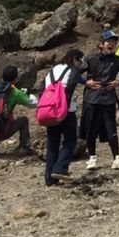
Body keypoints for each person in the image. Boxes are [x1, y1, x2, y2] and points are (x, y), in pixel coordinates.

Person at [83, 29, 119, 170]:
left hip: (108, 98)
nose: (112, 44)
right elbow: (74, 73)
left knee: (111, 129)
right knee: (91, 129)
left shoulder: (118, 60)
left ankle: (117, 158)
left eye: (114, 41)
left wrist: (118, 83)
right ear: (101, 44)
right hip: (92, 98)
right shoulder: (90, 59)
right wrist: (86, 82)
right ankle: (92, 158)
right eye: (109, 41)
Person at [39, 49, 85, 185]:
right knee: (70, 140)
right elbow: (70, 88)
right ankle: (61, 168)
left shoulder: (52, 71)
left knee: (52, 143)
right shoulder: (73, 71)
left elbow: (42, 88)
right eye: (79, 60)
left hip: (50, 110)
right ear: (75, 59)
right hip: (66, 111)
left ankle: (49, 179)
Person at [0, 64, 36, 158]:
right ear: (16, 78)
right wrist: (30, 95)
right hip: (1, 129)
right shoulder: (14, 91)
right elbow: (32, 104)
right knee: (23, 120)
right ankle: (24, 147)